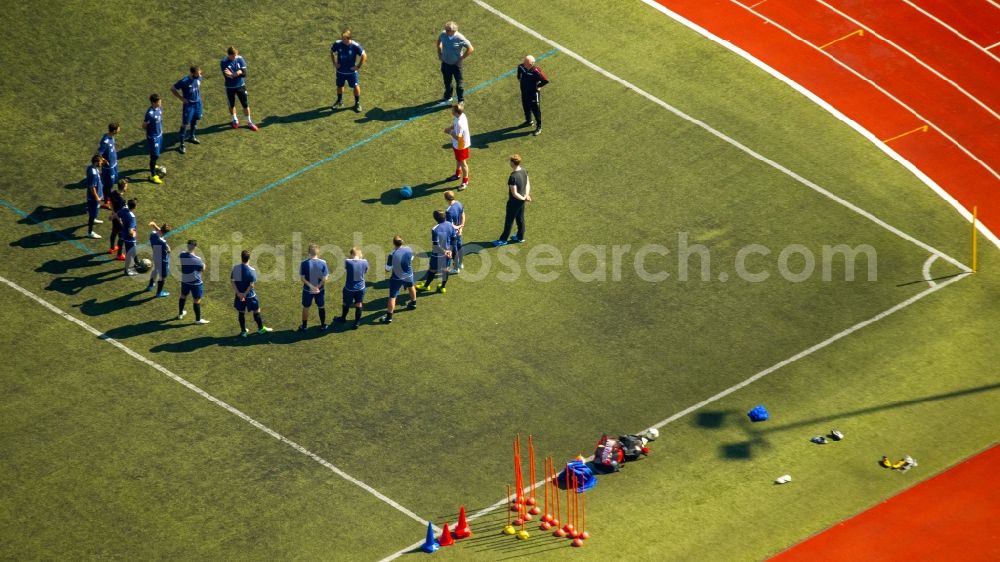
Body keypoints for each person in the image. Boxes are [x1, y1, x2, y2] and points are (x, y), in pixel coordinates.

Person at [231, 249, 273, 337]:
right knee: (256, 311)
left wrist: (239, 293)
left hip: (239, 295)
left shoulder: (236, 268)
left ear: (241, 258)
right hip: (250, 296)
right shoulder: (252, 270)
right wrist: (245, 294)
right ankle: (261, 329)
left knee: (241, 312)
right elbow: (251, 285)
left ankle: (243, 332)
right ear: (249, 258)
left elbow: (232, 281)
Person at [493, 154, 532, 246]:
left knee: (509, 221)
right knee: (520, 219)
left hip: (514, 203)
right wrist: (526, 196)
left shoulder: (513, 177)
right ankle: (520, 237)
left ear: (512, 163)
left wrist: (523, 198)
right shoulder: (524, 171)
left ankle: (503, 240)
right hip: (521, 201)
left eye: (510, 161)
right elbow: (527, 184)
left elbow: (514, 193)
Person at [380, 235, 417, 324]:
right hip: (409, 274)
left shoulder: (392, 254)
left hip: (397, 278)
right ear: (402, 241)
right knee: (411, 286)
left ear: (394, 243)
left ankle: (389, 317)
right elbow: (411, 258)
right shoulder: (408, 249)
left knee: (392, 297)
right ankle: (413, 303)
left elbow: (387, 269)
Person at [418, 209, 457, 294]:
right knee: (445, 270)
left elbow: (436, 245)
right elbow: (454, 239)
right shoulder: (450, 225)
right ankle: (442, 287)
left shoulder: (435, 229)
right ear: (445, 217)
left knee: (432, 270)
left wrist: (445, 252)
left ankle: (426, 286)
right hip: (448, 253)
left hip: (437, 255)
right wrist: (449, 250)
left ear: (435, 219)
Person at [220, 46, 258, 131]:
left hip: (241, 86)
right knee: (232, 104)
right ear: (229, 55)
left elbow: (244, 74)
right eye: (233, 56)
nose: (234, 57)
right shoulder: (223, 62)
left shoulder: (239, 58)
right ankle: (235, 119)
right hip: (230, 88)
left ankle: (249, 121)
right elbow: (228, 76)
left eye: (235, 55)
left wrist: (235, 74)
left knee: (245, 104)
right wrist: (238, 72)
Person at [330, 29, 367, 113]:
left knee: (355, 86)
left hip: (351, 73)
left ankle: (357, 103)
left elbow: (364, 55)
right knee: (339, 86)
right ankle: (339, 101)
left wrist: (358, 66)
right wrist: (334, 63)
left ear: (349, 38)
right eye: (342, 38)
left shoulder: (355, 46)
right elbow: (332, 52)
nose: (342, 40)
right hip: (340, 72)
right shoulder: (338, 44)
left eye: (344, 38)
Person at [437, 21, 473, 103]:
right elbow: (439, 42)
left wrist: (462, 58)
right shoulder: (443, 34)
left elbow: (470, 49)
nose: (446, 31)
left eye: (448, 30)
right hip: (445, 63)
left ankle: (461, 101)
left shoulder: (460, 38)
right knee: (447, 82)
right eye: (445, 29)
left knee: (459, 84)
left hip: (456, 65)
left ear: (454, 31)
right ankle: (448, 97)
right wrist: (439, 53)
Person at [171, 65, 204, 154]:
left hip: (198, 103)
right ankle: (181, 144)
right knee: (185, 124)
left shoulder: (199, 77)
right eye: (197, 73)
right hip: (189, 105)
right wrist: (181, 98)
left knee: (196, 118)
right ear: (192, 73)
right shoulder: (184, 81)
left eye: (199, 72)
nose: (200, 74)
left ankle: (192, 136)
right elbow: (173, 88)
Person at [299, 243, 330, 331]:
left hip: (307, 290)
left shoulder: (304, 263)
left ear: (308, 252)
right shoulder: (323, 263)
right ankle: (323, 325)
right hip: (320, 290)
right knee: (321, 307)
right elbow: (325, 278)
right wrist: (317, 287)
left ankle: (304, 326)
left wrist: (311, 286)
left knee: (306, 307)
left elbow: (302, 278)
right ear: (318, 252)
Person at [177, 240, 209, 324]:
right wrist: (204, 265)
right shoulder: (197, 259)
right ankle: (198, 320)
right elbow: (202, 269)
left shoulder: (182, 254)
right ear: (195, 247)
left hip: (185, 281)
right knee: (197, 300)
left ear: (187, 245)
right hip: (195, 283)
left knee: (183, 296)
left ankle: (180, 314)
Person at [516, 55, 549, 136]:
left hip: (533, 94)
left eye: (526, 62)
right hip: (524, 92)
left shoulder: (536, 71)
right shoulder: (521, 67)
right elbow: (519, 72)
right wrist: (519, 78)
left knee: (536, 110)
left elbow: (545, 80)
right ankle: (529, 121)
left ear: (531, 64)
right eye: (524, 61)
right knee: (525, 106)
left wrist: (539, 86)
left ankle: (539, 127)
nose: (523, 63)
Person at [337, 247, 368, 329]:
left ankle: (343, 318)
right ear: (359, 254)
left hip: (349, 288)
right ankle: (357, 322)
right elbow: (365, 271)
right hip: (361, 288)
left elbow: (347, 268)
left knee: (346, 303)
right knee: (359, 304)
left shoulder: (347, 262)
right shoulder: (365, 262)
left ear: (352, 254)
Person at [444, 103, 471, 189]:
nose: (451, 111)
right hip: (458, 145)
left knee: (463, 163)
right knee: (458, 160)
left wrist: (450, 132)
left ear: (456, 112)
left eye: (452, 110)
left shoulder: (460, 123)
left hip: (461, 145)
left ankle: (465, 182)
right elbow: (454, 124)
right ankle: (457, 174)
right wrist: (450, 128)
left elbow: (459, 138)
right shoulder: (461, 115)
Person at [142, 93, 164, 184]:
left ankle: (153, 164)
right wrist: (151, 130)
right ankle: (153, 176)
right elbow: (144, 125)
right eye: (159, 101)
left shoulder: (159, 109)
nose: (160, 102)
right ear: (154, 103)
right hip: (153, 137)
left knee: (155, 154)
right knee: (155, 155)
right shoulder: (150, 114)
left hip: (159, 135)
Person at [145, 222, 171, 297]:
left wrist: (155, 226)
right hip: (163, 259)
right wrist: (168, 248)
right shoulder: (163, 242)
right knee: (162, 277)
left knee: (155, 270)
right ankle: (159, 293)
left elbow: (159, 232)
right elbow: (168, 250)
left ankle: (150, 286)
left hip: (155, 255)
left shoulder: (152, 234)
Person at [96, 122, 120, 203]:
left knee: (113, 182)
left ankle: (108, 196)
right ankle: (106, 201)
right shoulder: (105, 141)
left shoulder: (111, 136)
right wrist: (104, 160)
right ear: (114, 131)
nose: (119, 129)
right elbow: (99, 154)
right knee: (108, 184)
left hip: (114, 164)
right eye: (118, 128)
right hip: (108, 167)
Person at [107, 178, 129, 260]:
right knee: (122, 237)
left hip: (114, 217)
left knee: (114, 232)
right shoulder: (122, 201)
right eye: (126, 186)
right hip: (119, 219)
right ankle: (119, 255)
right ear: (123, 187)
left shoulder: (113, 193)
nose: (127, 188)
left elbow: (111, 203)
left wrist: (113, 213)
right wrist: (121, 222)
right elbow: (122, 213)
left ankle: (112, 248)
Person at [444, 190, 465, 273]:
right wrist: (461, 228)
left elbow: (451, 225)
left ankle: (456, 268)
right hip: (459, 232)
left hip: (453, 234)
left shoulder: (448, 211)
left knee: (454, 250)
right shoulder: (459, 203)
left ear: (446, 199)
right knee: (460, 247)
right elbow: (463, 215)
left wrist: (458, 228)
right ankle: (461, 263)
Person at [117, 198, 140, 274]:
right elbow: (131, 231)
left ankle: (137, 262)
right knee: (129, 254)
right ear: (135, 206)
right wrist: (134, 234)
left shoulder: (124, 209)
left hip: (124, 235)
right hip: (130, 239)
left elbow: (117, 215)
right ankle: (127, 271)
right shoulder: (132, 217)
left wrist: (122, 224)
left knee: (132, 251)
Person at [85, 155, 104, 239]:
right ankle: (90, 232)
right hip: (93, 198)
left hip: (96, 196)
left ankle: (94, 218)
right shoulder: (93, 174)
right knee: (92, 214)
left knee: (94, 212)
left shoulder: (91, 168)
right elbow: (92, 187)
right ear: (96, 162)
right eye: (100, 162)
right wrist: (97, 198)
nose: (101, 163)